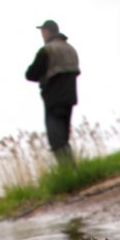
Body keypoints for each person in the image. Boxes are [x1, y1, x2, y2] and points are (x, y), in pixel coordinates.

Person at [25, 20, 80, 162]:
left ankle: (68, 172)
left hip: (53, 99)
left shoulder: (47, 50)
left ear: (47, 32)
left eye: (42, 31)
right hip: (70, 98)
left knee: (56, 140)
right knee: (64, 138)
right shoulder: (71, 49)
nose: (42, 35)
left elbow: (30, 74)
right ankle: (72, 172)